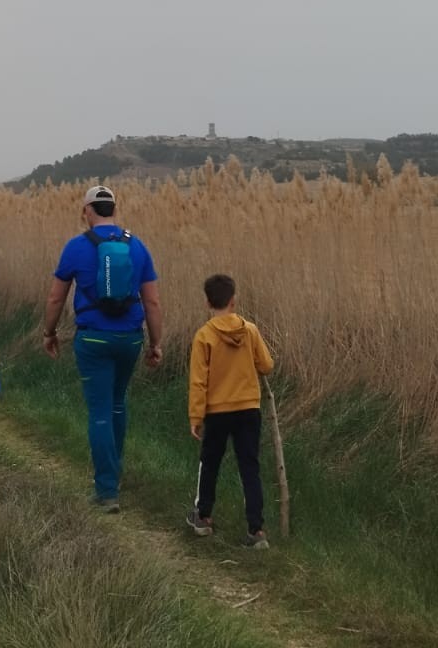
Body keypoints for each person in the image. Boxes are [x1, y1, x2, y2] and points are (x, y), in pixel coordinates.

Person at [41, 185, 163, 512]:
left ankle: (106, 490)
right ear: (114, 209)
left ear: (87, 211)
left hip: (93, 339)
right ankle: (114, 474)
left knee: (99, 412)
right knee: (118, 404)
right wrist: (155, 343)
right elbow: (152, 302)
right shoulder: (137, 246)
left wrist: (49, 332)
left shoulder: (76, 247)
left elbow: (55, 298)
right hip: (130, 339)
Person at [186, 274, 276, 549]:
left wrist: (196, 416)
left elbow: (198, 381)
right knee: (249, 466)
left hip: (218, 411)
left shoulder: (204, 336)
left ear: (207, 303)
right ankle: (256, 530)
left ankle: (203, 516)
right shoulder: (250, 330)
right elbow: (267, 365)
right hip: (248, 408)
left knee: (210, 462)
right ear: (233, 301)